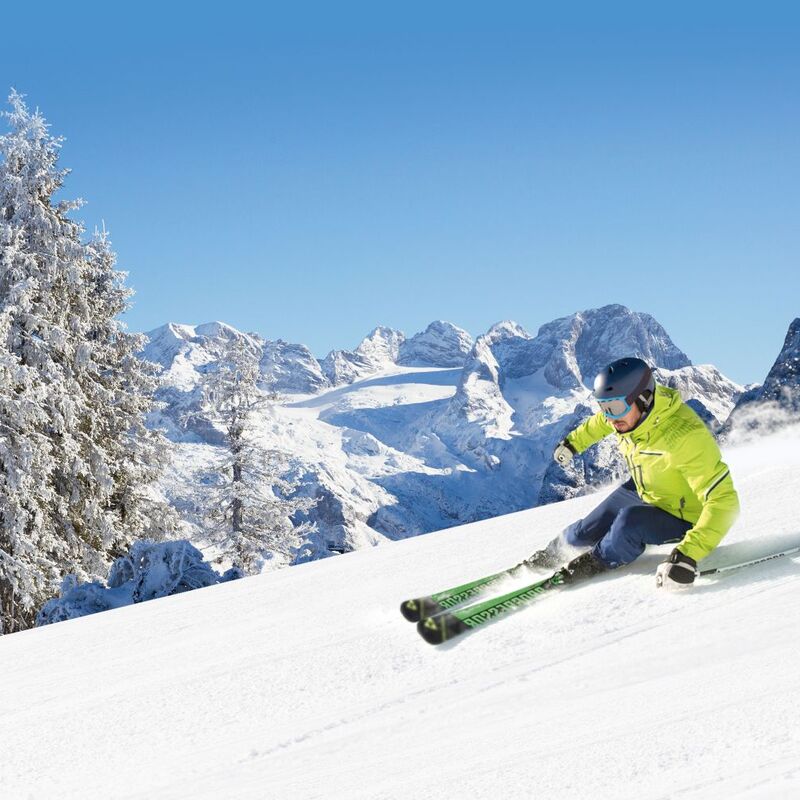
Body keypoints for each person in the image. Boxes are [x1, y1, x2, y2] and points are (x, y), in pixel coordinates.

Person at [524, 357, 740, 588]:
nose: (609, 417)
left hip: (684, 515)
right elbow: (599, 423)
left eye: (614, 407)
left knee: (627, 526)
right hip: (646, 488)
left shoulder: (684, 437)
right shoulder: (626, 415)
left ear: (644, 399)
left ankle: (595, 562)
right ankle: (549, 556)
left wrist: (687, 555)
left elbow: (724, 503)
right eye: (603, 406)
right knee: (583, 532)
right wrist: (572, 443)